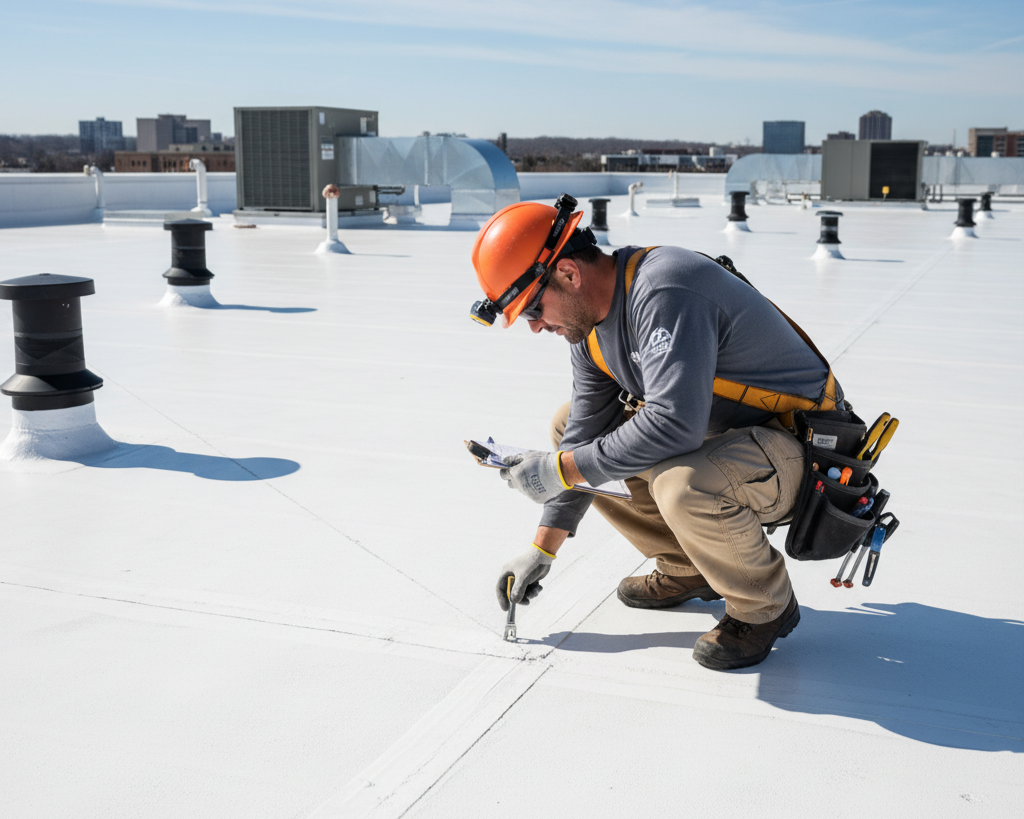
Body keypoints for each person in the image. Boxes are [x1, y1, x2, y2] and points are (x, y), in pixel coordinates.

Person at [469, 194, 842, 670]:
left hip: (804, 451)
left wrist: (561, 470)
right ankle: (690, 567)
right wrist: (542, 547)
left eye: (532, 310)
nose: (536, 327)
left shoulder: (665, 289)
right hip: (728, 438)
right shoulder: (590, 331)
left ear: (568, 273)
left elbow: (674, 424)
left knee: (681, 484)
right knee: (567, 428)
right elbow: (581, 436)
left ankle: (764, 606)